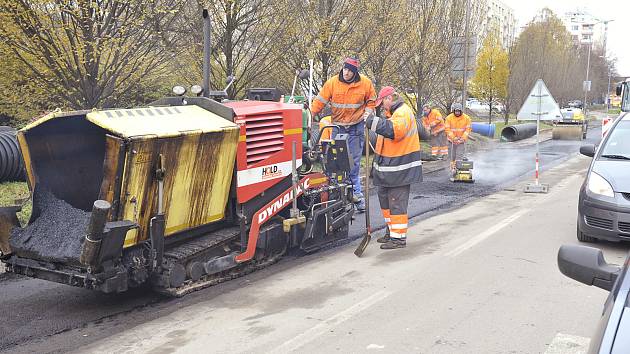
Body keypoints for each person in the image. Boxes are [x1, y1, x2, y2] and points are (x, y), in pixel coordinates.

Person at [311, 57, 377, 212]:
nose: (346, 73)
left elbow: (371, 101)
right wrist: (310, 114)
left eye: (349, 71)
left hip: (356, 127)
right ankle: (338, 196)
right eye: (345, 69)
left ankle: (357, 197)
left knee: (353, 164)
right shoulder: (332, 83)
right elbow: (319, 101)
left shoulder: (365, 83)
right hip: (338, 127)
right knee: (337, 164)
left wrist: (367, 113)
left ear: (355, 73)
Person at [365, 86, 422, 249]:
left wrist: (371, 121)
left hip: (400, 169)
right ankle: (391, 231)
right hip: (389, 169)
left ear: (390, 98)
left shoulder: (403, 113)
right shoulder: (392, 114)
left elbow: (394, 131)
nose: (382, 106)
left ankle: (398, 238)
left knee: (396, 203)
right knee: (385, 200)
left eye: (382, 102)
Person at [444, 102, 472, 175]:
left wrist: (462, 138)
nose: (457, 112)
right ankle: (452, 169)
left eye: (458, 111)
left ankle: (458, 169)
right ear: (453, 111)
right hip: (451, 141)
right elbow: (447, 129)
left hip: (461, 141)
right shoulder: (449, 118)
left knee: (459, 155)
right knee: (451, 156)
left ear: (461, 111)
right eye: (456, 111)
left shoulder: (467, 118)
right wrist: (454, 138)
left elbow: (468, 129)